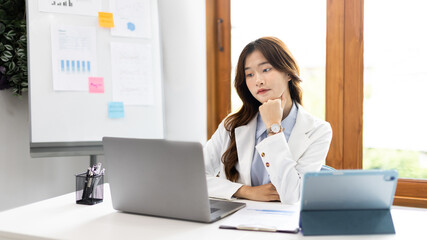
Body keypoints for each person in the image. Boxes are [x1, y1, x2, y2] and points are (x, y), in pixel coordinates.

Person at [204, 37, 333, 204]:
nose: (258, 80)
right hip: (237, 222)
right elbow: (195, 176)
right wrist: (245, 191)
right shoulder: (232, 124)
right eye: (249, 74)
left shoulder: (318, 130)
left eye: (265, 70)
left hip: (285, 224)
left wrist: (274, 128)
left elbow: (293, 195)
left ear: (288, 72)